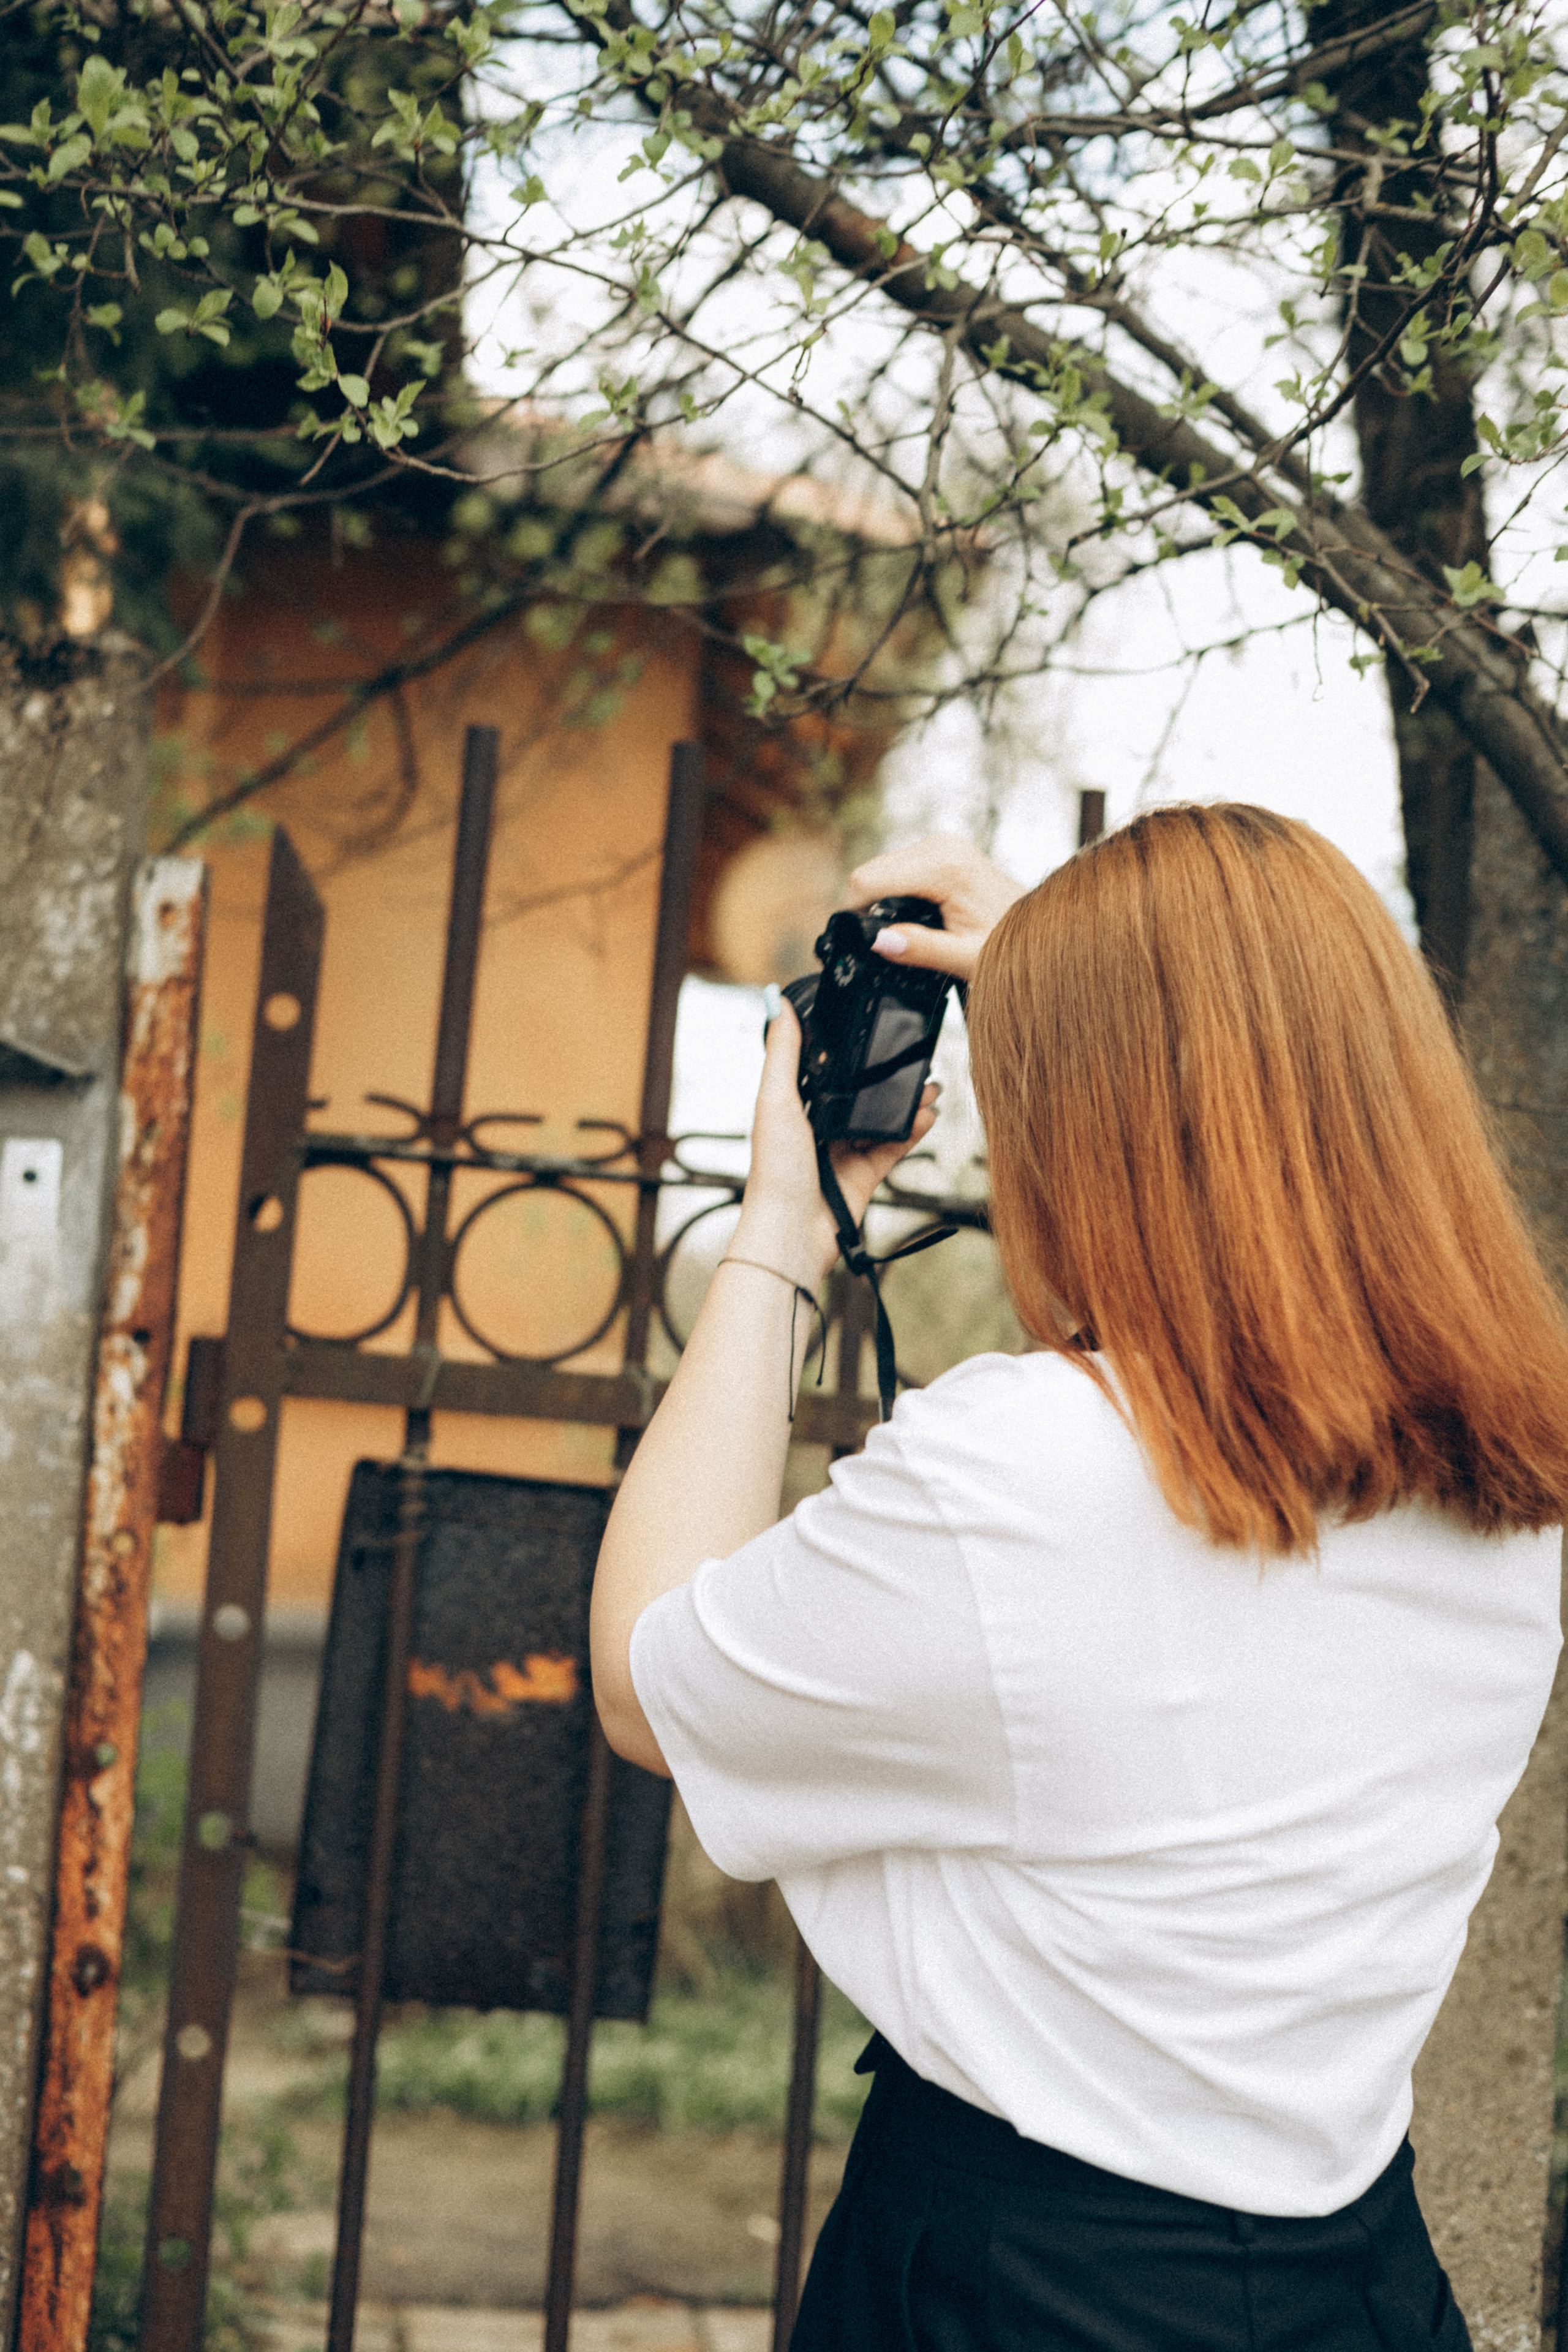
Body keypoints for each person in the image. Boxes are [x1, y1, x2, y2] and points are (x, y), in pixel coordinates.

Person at [590, 804, 1568, 2352]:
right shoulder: (1510, 1489)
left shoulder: (1032, 1470)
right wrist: (1108, 984)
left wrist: (783, 1219)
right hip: (1356, 2282)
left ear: (1104, 1126)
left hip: (1021, 2279)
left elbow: (650, 1671)